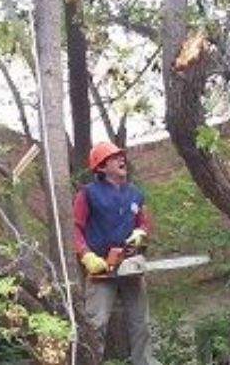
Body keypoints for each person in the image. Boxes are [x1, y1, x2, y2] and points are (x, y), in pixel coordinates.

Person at [73, 141, 160, 365]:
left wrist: (141, 232)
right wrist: (86, 255)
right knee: (95, 325)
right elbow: (75, 228)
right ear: (101, 167)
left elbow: (144, 223)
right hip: (101, 267)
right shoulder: (88, 194)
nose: (122, 159)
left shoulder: (135, 194)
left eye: (121, 156)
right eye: (114, 157)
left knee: (141, 323)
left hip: (130, 265)